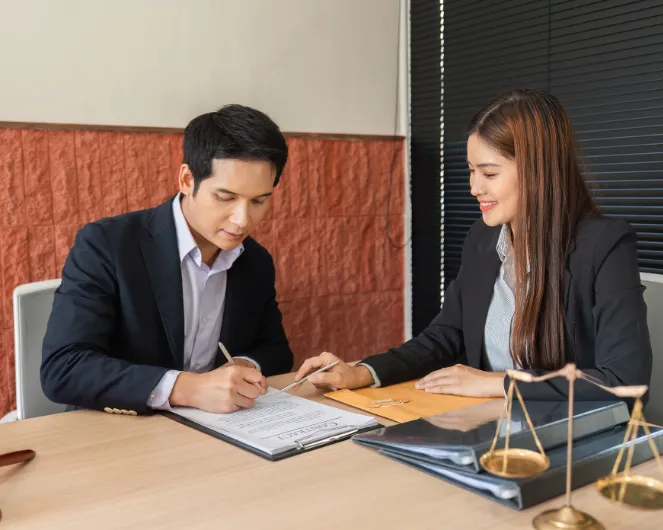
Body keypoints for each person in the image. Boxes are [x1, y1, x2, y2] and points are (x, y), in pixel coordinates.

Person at [296, 89, 653, 401]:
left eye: (490, 173)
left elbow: (624, 382)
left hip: (566, 435)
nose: (474, 188)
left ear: (538, 171)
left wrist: (499, 384)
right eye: (471, 170)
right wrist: (363, 372)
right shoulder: (483, 238)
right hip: (488, 424)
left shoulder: (605, 245)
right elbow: (446, 334)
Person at [41, 104, 293, 415]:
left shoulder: (255, 260)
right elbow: (64, 368)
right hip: (120, 428)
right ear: (187, 180)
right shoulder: (107, 244)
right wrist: (189, 388)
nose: (242, 219)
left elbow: (276, 351)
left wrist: (241, 367)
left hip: (216, 428)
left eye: (258, 201)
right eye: (225, 197)